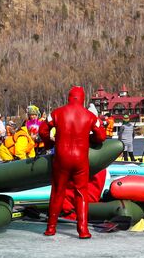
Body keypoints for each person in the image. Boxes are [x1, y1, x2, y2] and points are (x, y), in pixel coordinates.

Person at [40, 86, 106, 238]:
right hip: (80, 160)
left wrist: (50, 144)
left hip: (61, 158)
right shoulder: (90, 116)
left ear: (69, 97)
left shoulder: (56, 113)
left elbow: (43, 130)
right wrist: (91, 140)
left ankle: (51, 228)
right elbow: (101, 136)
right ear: (83, 99)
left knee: (57, 191)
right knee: (81, 193)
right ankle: (83, 230)